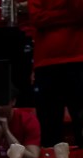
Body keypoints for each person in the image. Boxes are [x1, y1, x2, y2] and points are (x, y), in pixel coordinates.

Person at [27, 0, 83, 147]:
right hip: (46, 64)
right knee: (49, 127)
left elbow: (80, 11)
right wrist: (68, 15)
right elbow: (36, 18)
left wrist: (52, 16)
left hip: (78, 61)